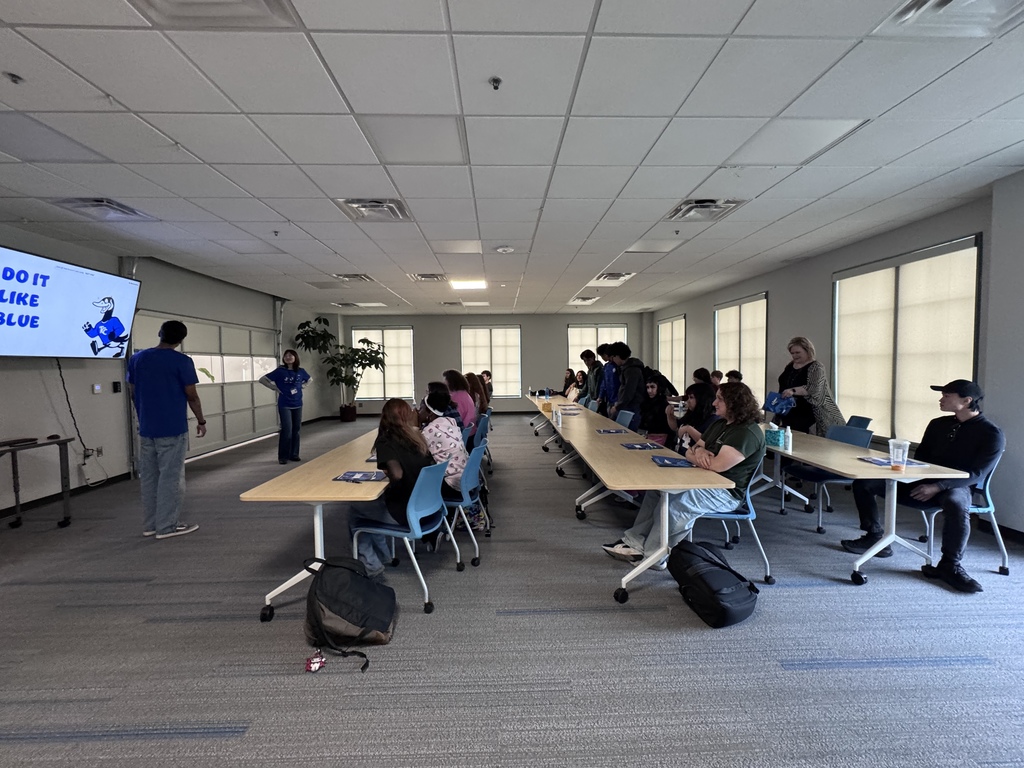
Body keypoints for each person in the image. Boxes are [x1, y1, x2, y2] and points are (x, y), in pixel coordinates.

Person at [841, 380, 1004, 593]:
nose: (941, 399)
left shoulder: (991, 433)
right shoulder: (938, 424)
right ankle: (875, 536)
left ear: (967, 400)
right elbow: (921, 458)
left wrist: (938, 486)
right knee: (864, 483)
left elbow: (976, 474)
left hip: (958, 485)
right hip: (923, 482)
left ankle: (950, 565)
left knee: (956, 502)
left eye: (947, 396)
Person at [603, 382, 766, 563]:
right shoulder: (720, 424)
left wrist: (696, 454)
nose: (714, 403)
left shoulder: (746, 433)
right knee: (657, 491)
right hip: (702, 479)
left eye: (720, 399)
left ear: (735, 403)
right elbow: (692, 447)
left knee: (679, 505)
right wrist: (699, 453)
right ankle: (633, 542)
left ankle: (654, 557)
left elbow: (717, 465)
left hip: (726, 493)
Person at [126, 320, 206, 539]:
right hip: (172, 426)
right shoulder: (182, 361)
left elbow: (133, 392)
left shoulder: (137, 358)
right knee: (171, 477)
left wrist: (143, 414)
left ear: (160, 333)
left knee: (150, 477)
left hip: (147, 428)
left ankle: (151, 524)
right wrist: (201, 420)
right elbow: (192, 395)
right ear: (181, 340)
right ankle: (167, 526)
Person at [348, 399, 434, 579]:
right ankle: (386, 554)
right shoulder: (418, 438)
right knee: (374, 505)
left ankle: (372, 564)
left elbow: (397, 474)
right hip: (428, 509)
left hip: (405, 513)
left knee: (355, 511)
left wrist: (389, 474)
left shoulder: (386, 440)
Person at [419, 390, 485, 531]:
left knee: (417, 484)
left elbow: (415, 452)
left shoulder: (429, 431)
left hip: (453, 484)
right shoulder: (450, 422)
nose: (418, 411)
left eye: (421, 408)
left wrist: (415, 424)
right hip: (466, 478)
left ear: (429, 413)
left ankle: (430, 526)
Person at [775, 336, 845, 435]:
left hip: (809, 414)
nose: (794, 355)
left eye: (798, 352)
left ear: (807, 350)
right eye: (792, 353)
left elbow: (814, 389)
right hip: (789, 411)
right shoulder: (790, 366)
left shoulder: (816, 367)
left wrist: (793, 391)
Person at [259, 349, 310, 465]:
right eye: (286, 356)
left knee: (296, 430)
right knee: (287, 430)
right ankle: (283, 456)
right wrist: (275, 388)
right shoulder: (280, 371)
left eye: (291, 356)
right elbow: (262, 379)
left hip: (297, 404)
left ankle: (294, 454)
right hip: (285, 404)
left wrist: (303, 386)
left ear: (295, 357)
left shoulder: (300, 371)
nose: (288, 357)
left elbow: (310, 379)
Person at [665, 382, 719, 452]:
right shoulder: (692, 414)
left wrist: (689, 429)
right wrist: (670, 415)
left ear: (701, 398)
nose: (688, 401)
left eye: (691, 397)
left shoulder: (713, 420)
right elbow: (676, 428)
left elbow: (707, 443)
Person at [607, 342, 645, 431]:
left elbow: (629, 391)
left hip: (631, 407)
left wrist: (617, 406)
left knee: (628, 435)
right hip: (626, 406)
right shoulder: (625, 368)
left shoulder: (632, 370)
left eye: (613, 357)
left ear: (618, 356)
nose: (613, 360)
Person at [638, 376, 671, 444]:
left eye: (653, 387)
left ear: (659, 388)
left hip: (659, 438)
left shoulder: (664, 405)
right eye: (647, 387)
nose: (649, 391)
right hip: (646, 436)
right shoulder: (645, 402)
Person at [443, 369, 477, 434]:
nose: (444, 383)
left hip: (464, 434)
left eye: (445, 380)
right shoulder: (463, 394)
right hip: (470, 432)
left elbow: (454, 420)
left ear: (451, 382)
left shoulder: (456, 398)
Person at [595, 343, 619, 416]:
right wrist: (600, 396)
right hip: (609, 399)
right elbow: (604, 383)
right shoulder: (606, 366)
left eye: (602, 356)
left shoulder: (618, 366)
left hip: (617, 400)